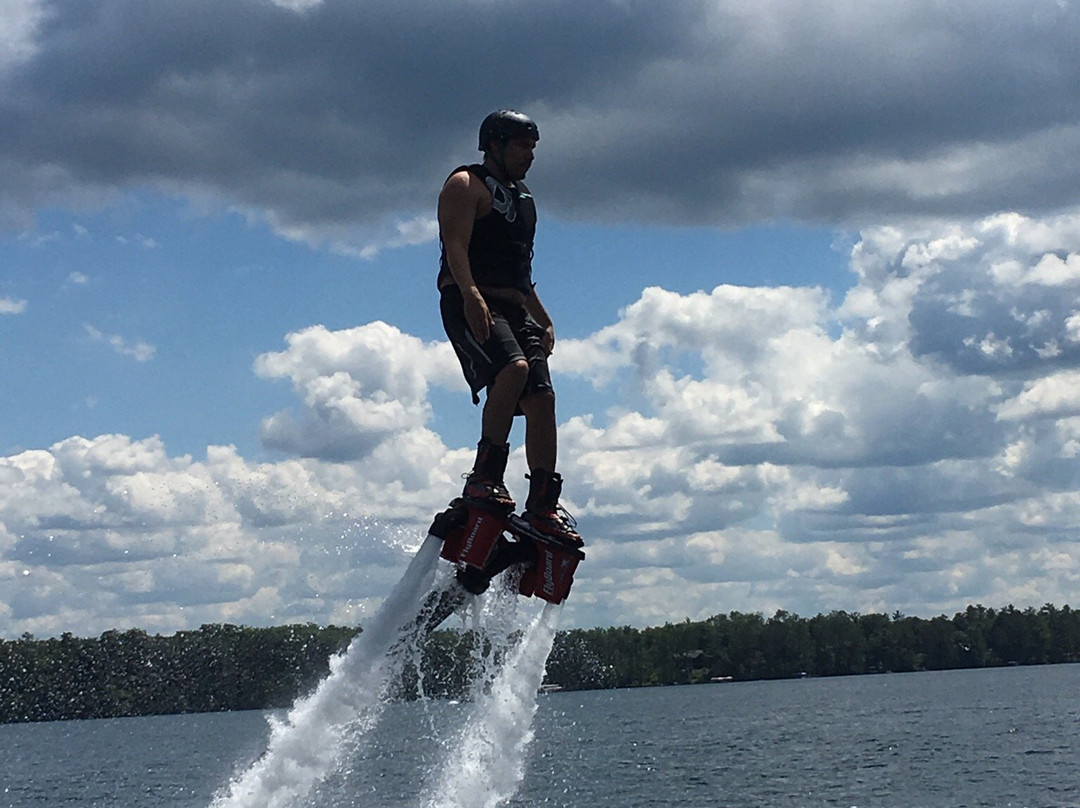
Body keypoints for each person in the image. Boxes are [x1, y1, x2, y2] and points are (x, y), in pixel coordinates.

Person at [437, 110, 580, 544]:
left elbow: (520, 274)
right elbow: (455, 247)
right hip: (469, 300)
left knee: (542, 398)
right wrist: (471, 295)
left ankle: (543, 506)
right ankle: (485, 477)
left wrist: (544, 318)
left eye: (533, 148)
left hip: (515, 306)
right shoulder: (465, 185)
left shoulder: (523, 198)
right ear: (495, 145)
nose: (529, 156)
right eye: (521, 146)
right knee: (513, 370)